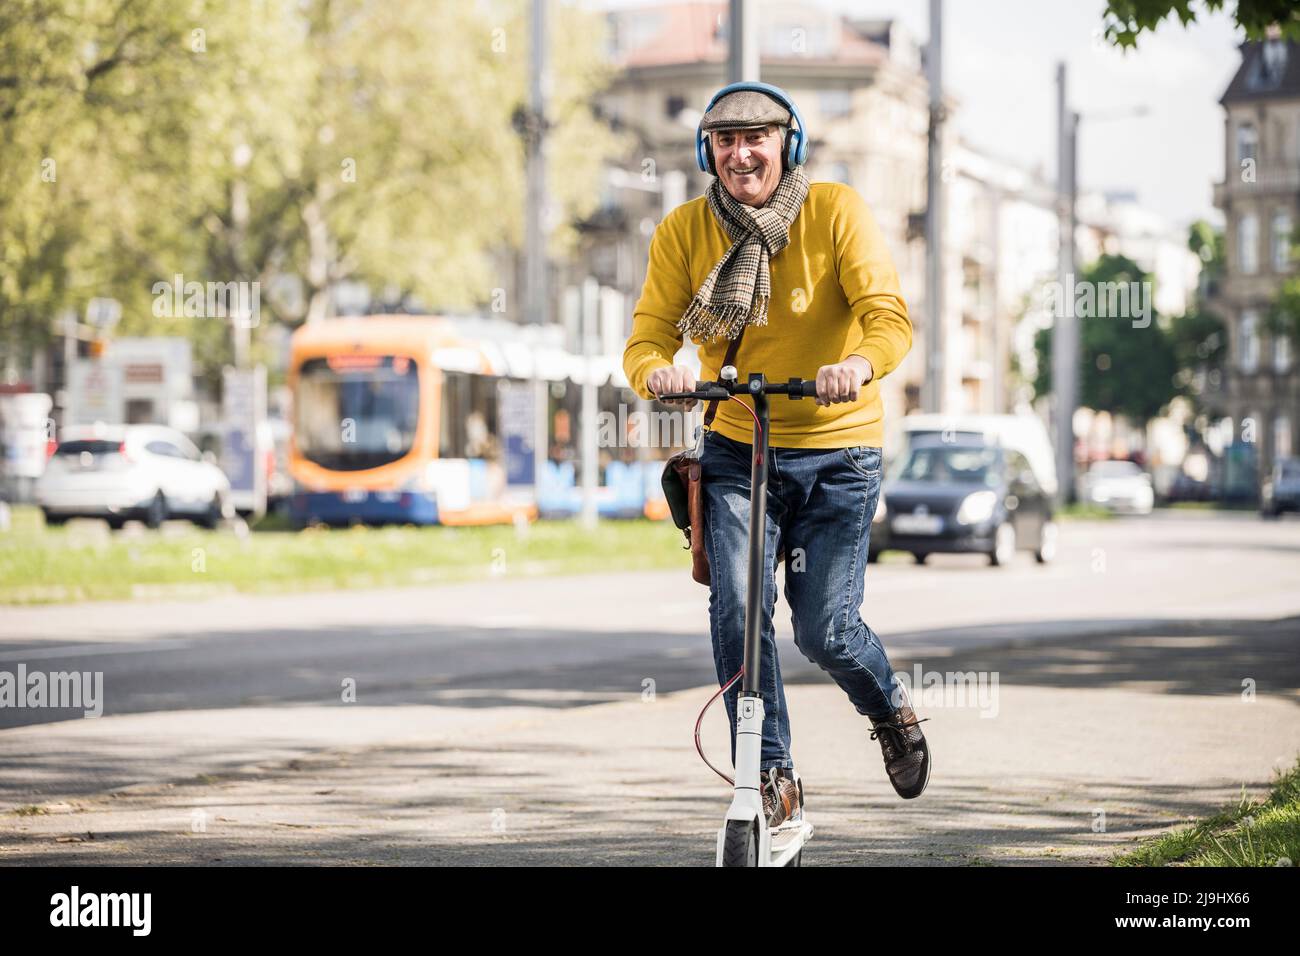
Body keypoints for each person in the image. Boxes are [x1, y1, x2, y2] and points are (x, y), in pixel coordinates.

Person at [622, 82, 930, 829]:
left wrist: (856, 365)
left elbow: (888, 320)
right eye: (725, 141)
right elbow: (647, 337)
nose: (741, 153)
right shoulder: (686, 230)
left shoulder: (834, 211)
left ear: (785, 143)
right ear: (708, 152)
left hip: (838, 449)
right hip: (738, 444)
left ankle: (888, 708)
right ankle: (771, 777)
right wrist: (656, 374)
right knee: (735, 608)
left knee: (825, 629)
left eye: (756, 136)